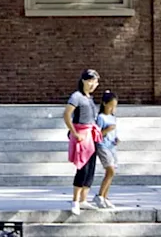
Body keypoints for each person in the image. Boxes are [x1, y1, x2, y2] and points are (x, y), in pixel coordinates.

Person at [63, 69, 101, 215]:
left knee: (90, 168)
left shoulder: (89, 98)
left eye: (95, 81)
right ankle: (75, 200)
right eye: (90, 80)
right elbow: (67, 114)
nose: (92, 84)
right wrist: (74, 133)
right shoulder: (76, 96)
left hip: (91, 135)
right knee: (82, 168)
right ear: (83, 81)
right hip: (82, 135)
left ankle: (84, 199)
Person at [94, 90, 119, 209]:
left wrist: (116, 138)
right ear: (104, 104)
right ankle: (99, 195)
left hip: (112, 147)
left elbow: (114, 132)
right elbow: (97, 134)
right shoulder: (101, 117)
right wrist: (107, 130)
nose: (113, 108)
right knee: (110, 170)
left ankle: (105, 196)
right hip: (103, 146)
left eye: (115, 106)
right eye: (111, 106)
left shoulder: (113, 117)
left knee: (111, 172)